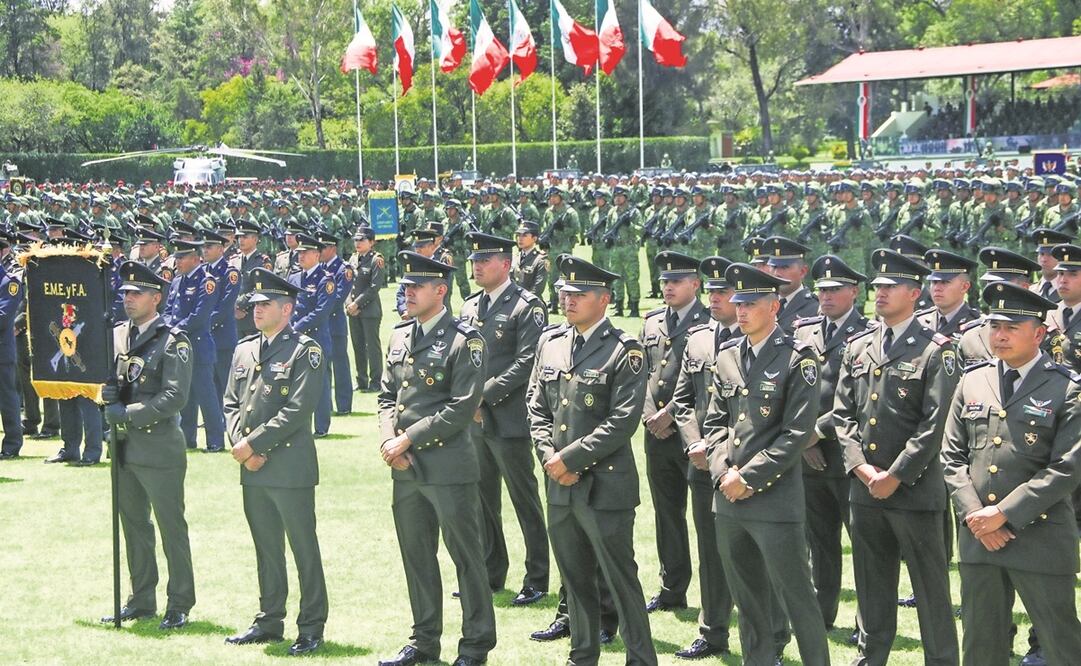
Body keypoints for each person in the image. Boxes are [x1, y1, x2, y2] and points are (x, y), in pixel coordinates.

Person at [941, 281, 1081, 666]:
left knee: (1061, 644)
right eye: (994, 326)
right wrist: (976, 515)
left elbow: (1068, 466)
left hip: (1041, 536)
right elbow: (951, 457)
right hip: (978, 540)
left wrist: (1002, 514)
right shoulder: (972, 379)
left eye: (1011, 328)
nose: (999, 336)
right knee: (981, 645)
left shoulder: (1067, 388)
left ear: (1039, 333)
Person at [699, 262, 830, 666]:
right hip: (730, 499)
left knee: (797, 598)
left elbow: (796, 433)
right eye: (738, 302)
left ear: (774, 306)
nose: (740, 310)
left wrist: (749, 477)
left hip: (773, 500)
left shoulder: (798, 359)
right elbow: (715, 423)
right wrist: (724, 472)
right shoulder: (726, 356)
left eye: (751, 303)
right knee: (747, 599)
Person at [528, 256, 658, 666]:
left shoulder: (625, 350)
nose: (568, 300)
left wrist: (569, 459)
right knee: (574, 576)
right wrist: (550, 457)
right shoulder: (550, 342)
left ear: (603, 300)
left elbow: (623, 420)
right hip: (560, 485)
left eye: (578, 295)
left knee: (619, 578)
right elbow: (536, 408)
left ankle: (640, 657)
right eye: (565, 293)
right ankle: (582, 654)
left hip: (604, 487)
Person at [833, 248, 960, 666]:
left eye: (890, 287)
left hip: (915, 491)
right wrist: (861, 467)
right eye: (878, 286)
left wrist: (896, 474)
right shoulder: (859, 345)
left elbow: (935, 424)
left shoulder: (935, 350)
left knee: (930, 589)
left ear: (915, 292)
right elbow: (843, 415)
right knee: (871, 583)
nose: (880, 293)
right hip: (865, 488)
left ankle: (941, 659)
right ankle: (871, 657)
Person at [376, 251, 496, 666]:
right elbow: (387, 397)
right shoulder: (398, 335)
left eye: (417, 287)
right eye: (405, 285)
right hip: (406, 469)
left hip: (447, 466)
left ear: (440, 291)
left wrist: (406, 438)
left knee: (467, 558)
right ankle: (424, 641)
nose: (407, 292)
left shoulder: (466, 339)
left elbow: (463, 406)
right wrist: (388, 440)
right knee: (417, 557)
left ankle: (476, 645)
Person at [222, 267, 328, 657]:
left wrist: (252, 443)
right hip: (252, 466)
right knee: (266, 548)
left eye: (265, 304)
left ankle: (311, 626)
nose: (257, 309)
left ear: (288, 309)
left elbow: (299, 410)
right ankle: (269, 619)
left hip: (289, 466)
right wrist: (241, 445)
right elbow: (231, 402)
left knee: (303, 549)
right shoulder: (244, 349)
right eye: (254, 304)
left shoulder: (304, 350)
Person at [100, 261, 195, 630]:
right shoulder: (118, 334)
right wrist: (106, 396)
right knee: (134, 526)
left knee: (172, 528)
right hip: (123, 447)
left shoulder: (174, 339)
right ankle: (141, 599)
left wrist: (129, 413)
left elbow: (175, 396)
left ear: (157, 298)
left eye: (137, 294)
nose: (129, 299)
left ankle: (180, 603)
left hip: (158, 447)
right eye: (125, 293)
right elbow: (113, 383)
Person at [457, 232, 550, 606]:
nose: (477, 266)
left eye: (485, 260)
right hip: (474, 421)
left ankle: (537, 577)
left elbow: (528, 361)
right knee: (482, 501)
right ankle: (491, 573)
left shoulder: (526, 307)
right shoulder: (468, 307)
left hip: (509, 419)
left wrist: (484, 395)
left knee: (524, 500)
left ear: (506, 264)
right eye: (475, 261)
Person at [792, 255, 869, 630]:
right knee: (819, 543)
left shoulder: (865, 334)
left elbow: (855, 398)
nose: (827, 295)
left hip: (848, 455)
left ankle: (865, 621)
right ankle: (821, 617)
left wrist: (816, 432)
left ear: (854, 292)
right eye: (822, 289)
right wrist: (803, 441)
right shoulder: (803, 331)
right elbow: (792, 390)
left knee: (864, 546)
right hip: (808, 457)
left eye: (835, 289)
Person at [669, 255, 738, 659]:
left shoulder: (760, 336)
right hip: (701, 465)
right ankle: (713, 631)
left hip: (743, 466)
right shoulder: (696, 339)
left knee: (752, 553)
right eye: (710, 291)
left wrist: (716, 449)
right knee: (710, 550)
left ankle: (770, 636)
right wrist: (695, 442)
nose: (714, 298)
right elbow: (682, 400)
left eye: (723, 292)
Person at [639, 251, 710, 616]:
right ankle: (671, 589)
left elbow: (708, 382)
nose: (668, 287)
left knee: (705, 519)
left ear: (695, 284)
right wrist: (651, 414)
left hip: (692, 433)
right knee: (667, 515)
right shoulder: (652, 323)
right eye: (665, 281)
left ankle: (715, 596)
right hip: (656, 434)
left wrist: (669, 414)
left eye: (677, 281)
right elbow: (644, 374)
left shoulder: (707, 322)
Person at [164, 238, 225, 452]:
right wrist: (165, 327)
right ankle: (187, 439)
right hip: (180, 348)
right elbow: (168, 311)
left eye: (181, 258)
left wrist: (174, 328)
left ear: (193, 258)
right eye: (176, 258)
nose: (177, 262)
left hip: (198, 347)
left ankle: (216, 440)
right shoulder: (177, 281)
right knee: (186, 398)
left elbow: (199, 316)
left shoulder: (206, 281)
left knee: (207, 397)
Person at [287, 233, 334, 437]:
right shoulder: (294, 277)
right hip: (294, 337)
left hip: (316, 338)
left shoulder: (325, 279)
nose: (300, 256)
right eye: (299, 252)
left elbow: (322, 310)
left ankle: (321, 426)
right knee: (296, 383)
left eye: (305, 253)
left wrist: (297, 326)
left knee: (320, 383)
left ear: (316, 254)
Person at [345, 226, 384, 393]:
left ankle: (375, 381)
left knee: (372, 346)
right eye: (356, 240)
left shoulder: (376, 260)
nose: (358, 243)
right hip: (353, 311)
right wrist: (348, 305)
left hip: (369, 311)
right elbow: (347, 285)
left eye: (362, 240)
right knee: (357, 345)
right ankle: (361, 380)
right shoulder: (353, 259)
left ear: (372, 242)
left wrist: (357, 304)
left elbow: (374, 287)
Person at [761, 236, 819, 334]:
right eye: (774, 267)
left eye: (784, 267)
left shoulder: (816, 308)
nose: (777, 273)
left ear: (802, 271)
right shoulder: (762, 304)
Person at [0, 239, 22, 460]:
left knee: (7, 399)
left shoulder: (9, 282)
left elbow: (4, 317)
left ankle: (12, 444)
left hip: (1, 352)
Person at [513, 221, 548, 298]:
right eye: (518, 235)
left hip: (530, 303)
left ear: (534, 238)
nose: (520, 238)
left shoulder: (541, 260)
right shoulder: (515, 257)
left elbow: (537, 288)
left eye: (524, 235)